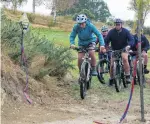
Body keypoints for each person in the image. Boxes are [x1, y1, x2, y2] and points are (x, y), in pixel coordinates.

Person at [105, 18, 134, 85]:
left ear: (121, 24)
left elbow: (131, 39)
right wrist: (105, 47)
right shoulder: (111, 32)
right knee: (112, 65)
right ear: (114, 25)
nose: (117, 26)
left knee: (124, 59)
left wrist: (129, 45)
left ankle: (127, 76)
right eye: (116, 24)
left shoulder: (126, 31)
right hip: (115, 50)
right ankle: (111, 78)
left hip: (124, 49)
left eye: (118, 24)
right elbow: (106, 40)